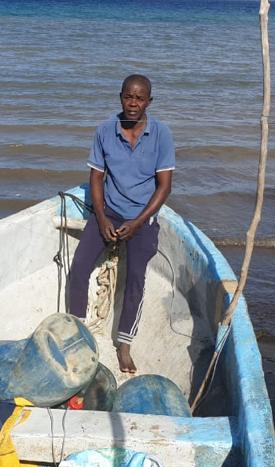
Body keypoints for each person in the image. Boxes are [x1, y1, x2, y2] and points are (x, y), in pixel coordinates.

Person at [67, 74, 175, 374]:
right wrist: (101, 217)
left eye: (140, 98)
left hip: (143, 216)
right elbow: (96, 177)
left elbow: (164, 187)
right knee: (79, 268)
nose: (133, 103)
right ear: (121, 98)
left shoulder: (162, 134)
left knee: (135, 278)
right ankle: (77, 335)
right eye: (128, 96)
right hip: (109, 212)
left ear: (149, 102)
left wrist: (138, 222)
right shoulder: (105, 131)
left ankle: (124, 345)